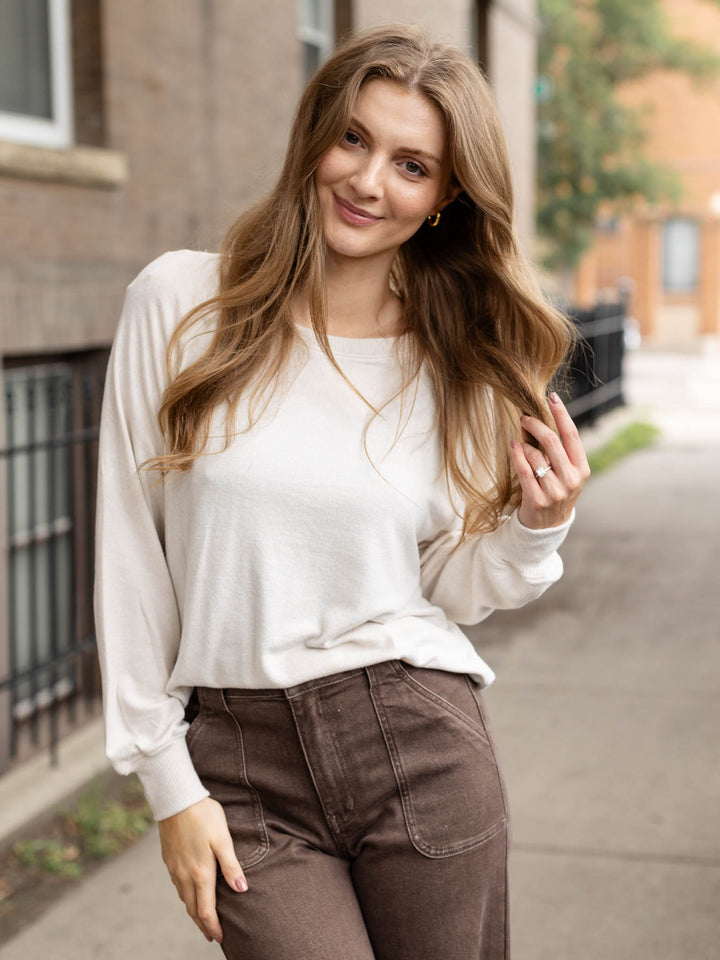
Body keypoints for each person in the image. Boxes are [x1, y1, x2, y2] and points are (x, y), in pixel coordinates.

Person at [94, 24, 590, 960]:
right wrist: (169, 785)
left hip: (418, 742)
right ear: (314, 135)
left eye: (412, 165)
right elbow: (129, 553)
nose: (368, 182)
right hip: (241, 764)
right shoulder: (180, 305)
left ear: (446, 197)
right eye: (355, 139)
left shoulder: (456, 360)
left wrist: (537, 527)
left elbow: (447, 585)